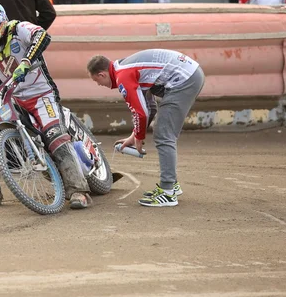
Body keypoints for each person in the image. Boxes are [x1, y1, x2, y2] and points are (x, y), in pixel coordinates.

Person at [0, 0, 92, 209]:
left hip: (41, 95)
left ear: (1, 17)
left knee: (55, 136)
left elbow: (42, 36)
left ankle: (78, 191)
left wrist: (27, 61)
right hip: (10, 99)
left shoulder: (19, 29)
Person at [87, 50, 205, 207]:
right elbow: (150, 107)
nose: (99, 85)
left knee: (164, 135)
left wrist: (139, 137)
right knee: (164, 133)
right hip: (190, 74)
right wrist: (134, 136)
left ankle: (168, 192)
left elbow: (140, 113)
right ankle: (171, 186)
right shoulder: (125, 67)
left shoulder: (122, 76)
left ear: (102, 74)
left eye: (97, 81)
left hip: (184, 79)